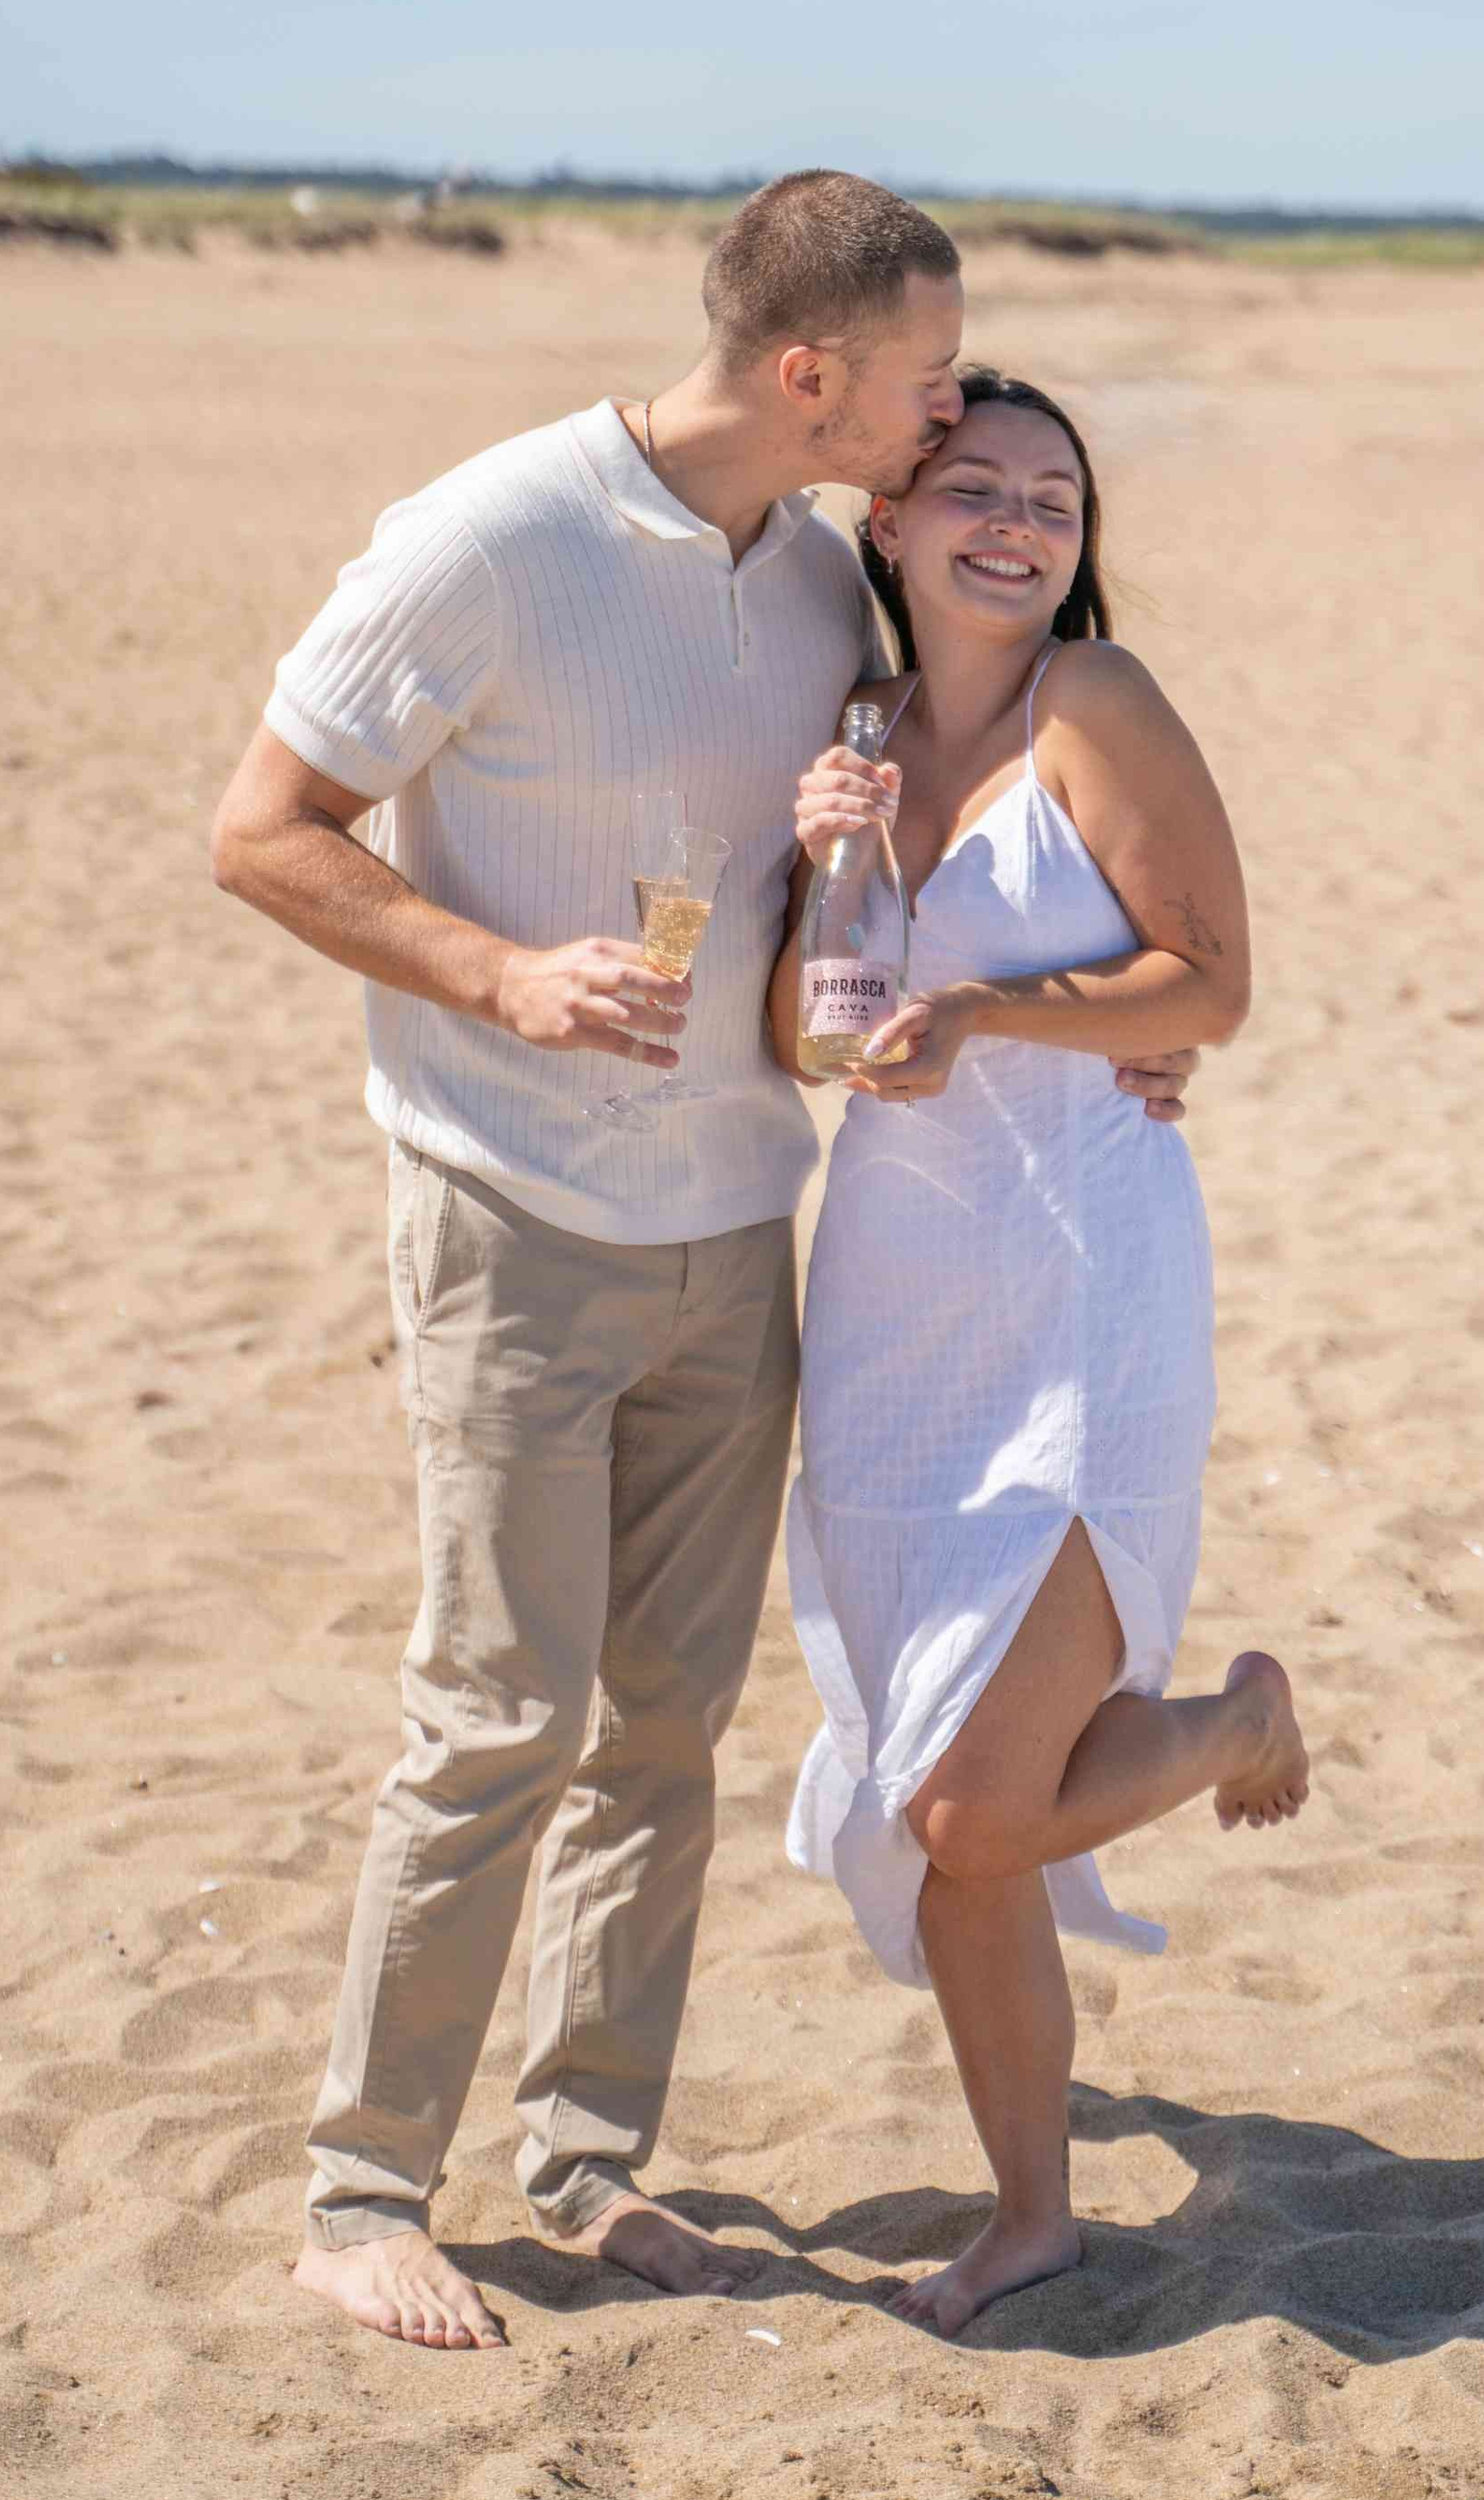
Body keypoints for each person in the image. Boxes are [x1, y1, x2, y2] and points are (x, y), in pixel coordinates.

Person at [210, 183, 1204, 2354]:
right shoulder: (489, 537)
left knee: (663, 1727)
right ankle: (362, 2191)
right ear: (810, 373)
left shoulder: (827, 582)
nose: (948, 411)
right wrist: (495, 970)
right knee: (498, 1711)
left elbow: (920, 878)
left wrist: (1106, 1033)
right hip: (509, 1215)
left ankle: (584, 2157)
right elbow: (259, 828)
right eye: (926, 376)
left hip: (745, 1233)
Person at [770, 365, 1309, 2341]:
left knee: (971, 1813)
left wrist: (997, 1013)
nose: (1015, 521)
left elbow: (1211, 982)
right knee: (945, 1816)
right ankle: (1031, 2216)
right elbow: (806, 1035)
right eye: (974, 486)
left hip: (1085, 1284)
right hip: (896, 1302)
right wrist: (823, 856)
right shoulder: (854, 727)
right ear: (890, 523)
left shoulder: (1095, 698)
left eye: (1053, 496)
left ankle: (1229, 1724)